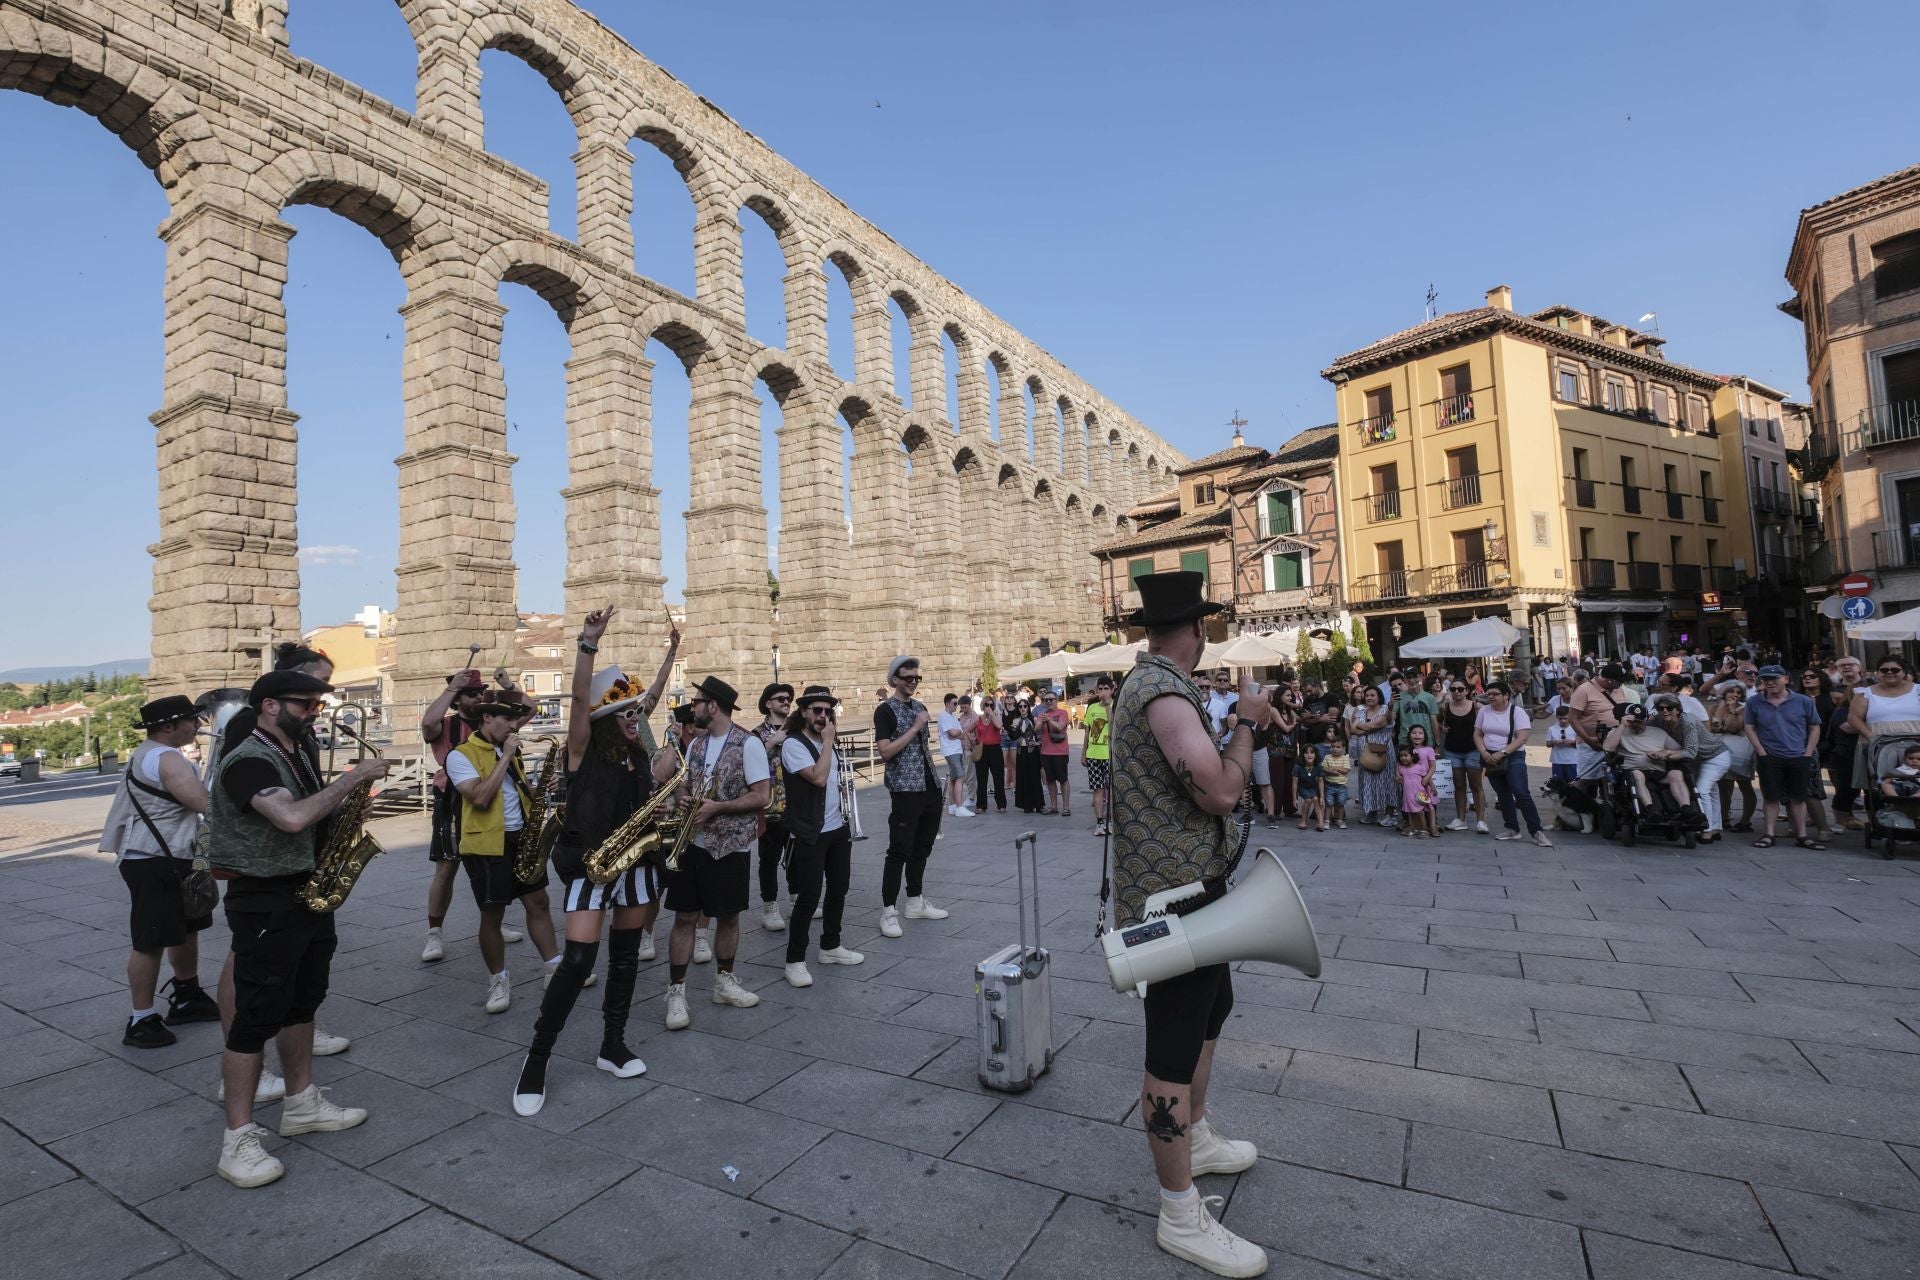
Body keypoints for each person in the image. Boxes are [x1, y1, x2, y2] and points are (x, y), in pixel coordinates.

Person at [1107, 572, 1267, 1275]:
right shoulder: (1165, 692)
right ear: (1198, 630)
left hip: (1191, 890)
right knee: (1172, 1047)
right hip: (1172, 903)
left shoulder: (1151, 684)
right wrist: (1247, 722)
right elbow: (1223, 791)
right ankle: (1180, 1212)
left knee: (1213, 1007)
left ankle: (1196, 1137)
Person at [207, 670, 389, 1188]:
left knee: (303, 1000)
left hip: (307, 890)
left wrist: (345, 812)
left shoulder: (295, 750)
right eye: (305, 703)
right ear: (268, 705)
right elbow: (288, 819)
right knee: (254, 1016)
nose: (315, 710)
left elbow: (311, 818)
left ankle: (301, 1101)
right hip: (266, 898)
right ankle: (237, 1138)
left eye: (317, 703)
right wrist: (352, 779)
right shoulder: (247, 759)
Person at [512, 607, 674, 1118]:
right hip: (592, 864)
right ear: (607, 721)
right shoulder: (582, 749)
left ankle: (613, 1045)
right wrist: (587, 644)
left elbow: (650, 702)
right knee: (579, 960)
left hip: (637, 864)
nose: (636, 717)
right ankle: (536, 1062)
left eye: (636, 711)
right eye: (627, 713)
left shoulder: (637, 754)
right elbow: (581, 699)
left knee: (626, 958)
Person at [100, 695, 218, 1048]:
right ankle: (141, 1019)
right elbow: (204, 804)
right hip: (154, 859)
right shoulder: (166, 758)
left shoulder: (152, 752)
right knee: (150, 940)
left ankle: (187, 994)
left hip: (173, 854)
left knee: (186, 928)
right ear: (168, 726)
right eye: (192, 721)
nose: (198, 726)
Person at [663, 676, 771, 1028]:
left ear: (713, 706)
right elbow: (686, 786)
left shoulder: (748, 744)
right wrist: (680, 799)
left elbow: (762, 797)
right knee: (683, 917)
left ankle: (724, 981)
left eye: (697, 702)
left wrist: (718, 807)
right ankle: (676, 991)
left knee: (728, 916)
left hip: (729, 847)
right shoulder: (695, 745)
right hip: (691, 842)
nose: (692, 707)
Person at [448, 700, 563, 1014]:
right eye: (508, 720)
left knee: (538, 902)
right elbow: (481, 797)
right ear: (487, 718)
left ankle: (554, 967)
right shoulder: (460, 755)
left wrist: (539, 787)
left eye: (516, 720)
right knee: (492, 914)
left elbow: (515, 791)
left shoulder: (509, 750)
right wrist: (507, 756)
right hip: (486, 844)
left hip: (521, 837)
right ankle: (498, 979)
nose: (514, 726)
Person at [778, 686, 866, 987]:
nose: (823, 716)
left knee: (839, 888)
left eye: (828, 711)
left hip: (836, 827)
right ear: (803, 711)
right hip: (810, 830)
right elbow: (816, 777)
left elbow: (829, 779)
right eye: (817, 710)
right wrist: (828, 742)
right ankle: (795, 960)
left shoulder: (823, 741)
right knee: (809, 896)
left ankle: (830, 945)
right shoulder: (793, 744)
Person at [873, 656, 951, 938]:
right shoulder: (885, 711)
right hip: (905, 789)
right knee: (898, 850)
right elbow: (885, 751)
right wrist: (916, 727)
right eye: (908, 677)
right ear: (894, 680)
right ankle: (889, 910)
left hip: (929, 785)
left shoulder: (919, 707)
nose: (913, 682)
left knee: (923, 846)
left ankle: (915, 900)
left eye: (917, 677)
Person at [1745, 664, 1825, 851]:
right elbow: (1749, 726)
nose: (1770, 682)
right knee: (1770, 796)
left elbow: (1814, 727)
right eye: (1766, 679)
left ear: (1786, 679)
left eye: (1775, 678)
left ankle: (1802, 834)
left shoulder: (1803, 701)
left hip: (1798, 754)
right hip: (1770, 755)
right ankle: (1769, 833)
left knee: (1799, 797)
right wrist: (1761, 751)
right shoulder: (1754, 702)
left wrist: (1807, 753)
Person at [1475, 681, 1549, 846]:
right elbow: (1477, 734)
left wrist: (1502, 753)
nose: (1491, 697)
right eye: (1489, 694)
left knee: (1521, 792)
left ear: (1506, 695)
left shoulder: (1517, 712)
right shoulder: (1484, 711)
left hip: (1513, 755)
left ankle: (1536, 831)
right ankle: (1512, 828)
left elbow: (1522, 737)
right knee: (1503, 794)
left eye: (1495, 694)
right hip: (1490, 757)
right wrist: (1484, 752)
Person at [754, 683, 796, 929]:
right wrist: (771, 742)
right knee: (769, 860)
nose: (786, 701)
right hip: (770, 807)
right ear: (768, 704)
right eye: (780, 698)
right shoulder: (756, 734)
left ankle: (796, 899)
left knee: (797, 858)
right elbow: (746, 764)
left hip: (795, 805)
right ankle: (769, 908)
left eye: (788, 698)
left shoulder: (797, 730)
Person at [1604, 703, 1693, 816]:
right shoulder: (1617, 732)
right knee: (1637, 774)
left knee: (1676, 773)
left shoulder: (1658, 732)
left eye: (1640, 722)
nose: (1636, 724)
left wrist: (1664, 753)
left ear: (1646, 720)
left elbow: (1681, 751)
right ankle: (1650, 808)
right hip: (1633, 771)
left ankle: (1686, 808)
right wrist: (1622, 726)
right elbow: (1608, 748)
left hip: (1658, 772)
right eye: (1633, 721)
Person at [1654, 695, 1724, 836]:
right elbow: (1642, 725)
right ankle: (1716, 827)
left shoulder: (1688, 721)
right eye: (1661, 708)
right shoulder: (1659, 720)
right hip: (1699, 758)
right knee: (1712, 792)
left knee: (1703, 791)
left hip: (1715, 755)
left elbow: (1691, 752)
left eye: (1670, 708)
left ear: (1678, 709)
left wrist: (1667, 753)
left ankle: (1706, 830)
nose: (1665, 711)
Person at [1436, 678, 1488, 833]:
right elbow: (1437, 721)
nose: (1456, 692)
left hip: (1473, 750)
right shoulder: (1445, 707)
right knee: (1458, 785)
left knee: (1476, 785)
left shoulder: (1477, 707)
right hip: (1452, 751)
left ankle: (1481, 821)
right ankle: (1460, 819)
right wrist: (1441, 728)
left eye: (1460, 689)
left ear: (1467, 690)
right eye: (1453, 689)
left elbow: (1487, 724)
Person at [1709, 683, 1758, 833]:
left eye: (1738, 692)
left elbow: (1734, 727)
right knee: (1724, 787)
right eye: (1731, 690)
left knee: (1744, 786)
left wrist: (1731, 710)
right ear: (1723, 692)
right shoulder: (1714, 707)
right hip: (1720, 751)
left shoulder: (1744, 708)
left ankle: (1745, 820)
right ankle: (1724, 817)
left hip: (1740, 754)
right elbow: (1711, 727)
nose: (1735, 694)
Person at [1346, 684, 1398, 826]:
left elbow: (1379, 723)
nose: (1369, 697)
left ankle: (1390, 813)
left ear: (1379, 696)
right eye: (1367, 695)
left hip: (1384, 750)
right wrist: (1368, 728)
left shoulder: (1386, 709)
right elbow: (1353, 729)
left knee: (1387, 781)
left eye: (1372, 695)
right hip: (1366, 751)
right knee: (1368, 781)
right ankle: (1371, 813)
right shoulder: (1361, 710)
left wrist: (1364, 727)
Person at [1085, 676, 1114, 836]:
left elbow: (1112, 722)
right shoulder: (1092, 708)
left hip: (1110, 754)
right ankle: (1099, 823)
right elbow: (1088, 732)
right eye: (1100, 689)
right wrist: (1084, 753)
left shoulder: (1115, 706)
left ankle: (1110, 821)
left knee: (1110, 789)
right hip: (1094, 754)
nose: (1102, 692)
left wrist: (1108, 706)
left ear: (1112, 690)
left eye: (1106, 689)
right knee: (1097, 789)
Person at [1036, 688, 1073, 816]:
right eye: (1046, 700)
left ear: (1057, 700)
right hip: (1046, 751)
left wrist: (1049, 720)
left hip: (1060, 752)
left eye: (1051, 699)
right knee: (1050, 780)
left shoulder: (1062, 712)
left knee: (1063, 779)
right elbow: (1036, 729)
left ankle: (1066, 807)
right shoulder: (1043, 714)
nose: (1049, 702)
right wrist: (1040, 721)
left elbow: (1060, 727)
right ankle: (1053, 806)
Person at [936, 692, 972, 817]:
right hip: (951, 751)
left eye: (957, 703)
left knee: (954, 778)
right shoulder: (944, 716)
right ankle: (959, 807)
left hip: (955, 749)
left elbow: (959, 733)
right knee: (960, 777)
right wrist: (959, 733)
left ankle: (952, 806)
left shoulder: (951, 716)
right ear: (947, 703)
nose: (957, 705)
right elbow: (953, 733)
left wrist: (959, 733)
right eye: (955, 703)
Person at [974, 692, 1006, 814]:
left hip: (995, 749)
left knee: (998, 778)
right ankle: (981, 805)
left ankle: (1001, 805)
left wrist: (992, 714)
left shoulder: (996, 716)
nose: (988, 706)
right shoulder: (978, 719)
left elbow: (999, 725)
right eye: (986, 704)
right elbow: (967, 731)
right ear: (982, 705)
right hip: (982, 750)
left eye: (991, 705)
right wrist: (971, 741)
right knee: (981, 779)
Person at [1397, 743, 1436, 838]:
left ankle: (1424, 830)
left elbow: (1428, 778)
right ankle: (1412, 827)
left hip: (1419, 795)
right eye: (1401, 756)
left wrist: (1433, 787)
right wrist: (1397, 778)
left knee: (1420, 812)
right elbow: (1398, 778)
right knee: (1410, 812)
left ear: (1412, 756)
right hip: (1407, 796)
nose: (1403, 758)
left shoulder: (1419, 767)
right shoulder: (1401, 768)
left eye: (1406, 755)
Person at [1321, 734, 1351, 829]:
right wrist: (1330, 771)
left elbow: (1346, 770)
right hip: (1329, 785)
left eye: (1338, 747)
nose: (1335, 749)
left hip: (1341, 786)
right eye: (1333, 746)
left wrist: (1334, 768)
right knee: (1329, 803)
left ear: (1343, 748)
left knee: (1340, 804)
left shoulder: (1345, 758)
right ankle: (1327, 821)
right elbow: (1323, 767)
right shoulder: (1327, 757)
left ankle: (1340, 820)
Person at [1293, 743, 1326, 832]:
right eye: (1306, 753)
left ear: (1315, 755)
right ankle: (1303, 821)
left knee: (1316, 799)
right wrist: (1294, 798)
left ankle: (1320, 823)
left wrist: (1322, 796)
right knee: (1308, 800)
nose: (1309, 755)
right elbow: (1295, 783)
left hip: (1313, 787)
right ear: (1302, 755)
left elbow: (1320, 781)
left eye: (1312, 753)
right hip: (1303, 787)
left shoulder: (1318, 766)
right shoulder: (1298, 767)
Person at [1546, 706, 1580, 786]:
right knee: (1558, 783)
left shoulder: (1575, 728)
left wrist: (1572, 742)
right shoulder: (1551, 729)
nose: (1563, 721)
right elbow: (1548, 744)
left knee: (1573, 783)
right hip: (1557, 760)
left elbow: (1580, 744)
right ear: (1557, 717)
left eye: (1565, 718)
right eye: (1560, 719)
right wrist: (1554, 742)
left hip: (1572, 760)